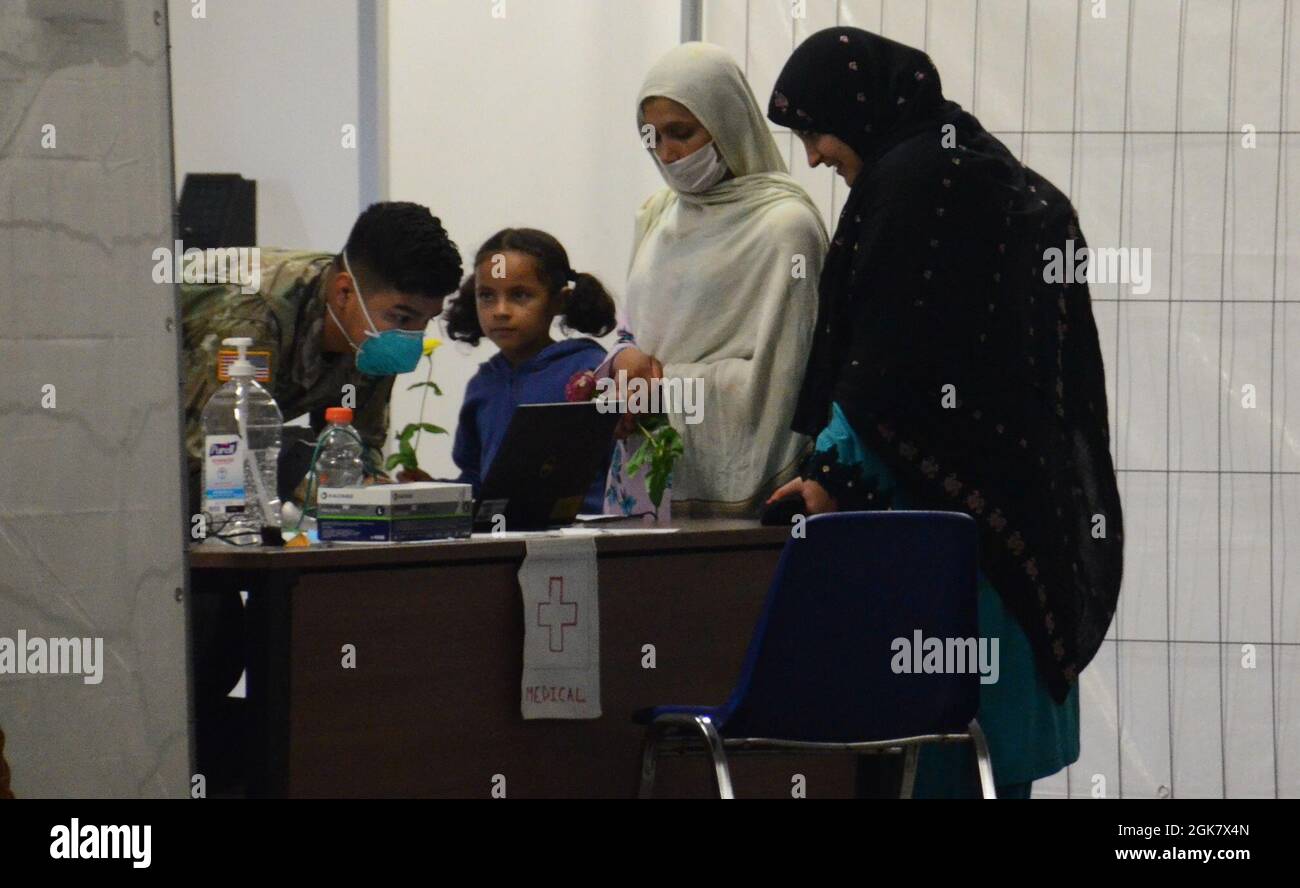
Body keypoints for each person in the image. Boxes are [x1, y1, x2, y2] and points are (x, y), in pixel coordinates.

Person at [765, 27, 1123, 797]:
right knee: (991, 758)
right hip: (1017, 514)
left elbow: (891, 362)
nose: (816, 155)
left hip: (945, 530)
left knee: (937, 754)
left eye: (816, 129)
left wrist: (830, 473)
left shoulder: (916, 182)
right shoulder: (981, 165)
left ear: (859, 107)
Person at [599, 42, 828, 517]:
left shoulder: (785, 227)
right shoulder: (657, 215)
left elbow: (782, 378)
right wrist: (623, 359)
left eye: (680, 132)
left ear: (727, 122)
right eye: (651, 136)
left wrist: (665, 389)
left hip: (747, 506)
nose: (666, 152)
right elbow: (633, 326)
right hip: (648, 473)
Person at [180, 201, 463, 514]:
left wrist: (377, 495)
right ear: (343, 293)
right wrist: (313, 490)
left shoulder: (372, 334)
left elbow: (358, 446)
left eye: (427, 320)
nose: (413, 335)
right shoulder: (254, 317)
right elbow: (210, 460)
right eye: (403, 318)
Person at [444, 228, 617, 514]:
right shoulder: (482, 385)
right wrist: (432, 492)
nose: (500, 310)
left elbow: (623, 469)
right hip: (501, 542)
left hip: (585, 539)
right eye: (487, 296)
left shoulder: (591, 371)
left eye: (520, 295)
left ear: (558, 301)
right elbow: (476, 480)